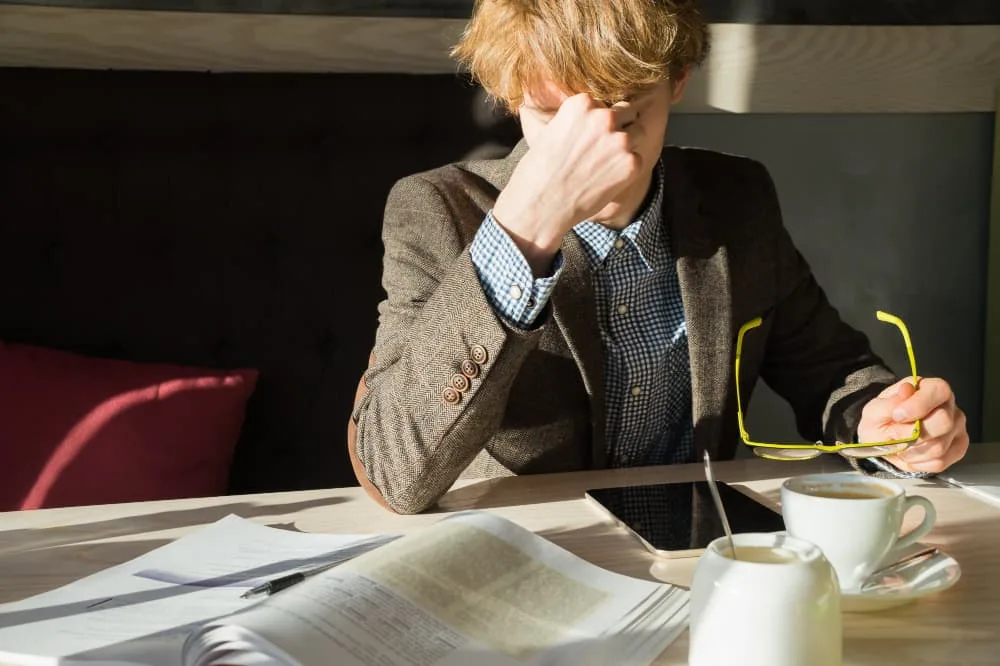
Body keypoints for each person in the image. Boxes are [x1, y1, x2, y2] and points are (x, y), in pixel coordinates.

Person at [347, 0, 969, 514]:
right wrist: (527, 226)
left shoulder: (736, 198)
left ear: (677, 81)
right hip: (535, 564)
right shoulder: (438, 210)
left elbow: (830, 372)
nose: (590, 153)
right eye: (550, 117)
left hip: (706, 554)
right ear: (510, 96)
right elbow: (395, 473)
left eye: (625, 116)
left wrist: (889, 425)